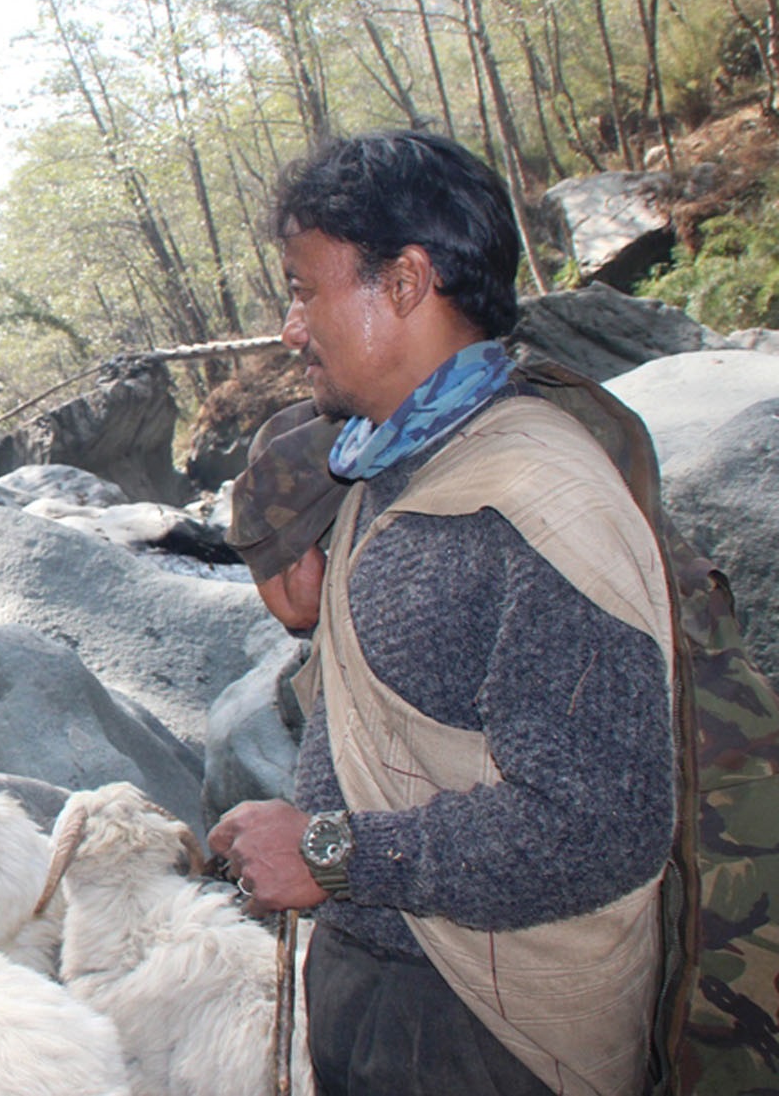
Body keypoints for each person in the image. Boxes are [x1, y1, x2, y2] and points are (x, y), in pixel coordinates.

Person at [207, 131, 675, 1096]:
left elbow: (603, 824)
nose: (292, 328)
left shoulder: (534, 500)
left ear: (408, 281)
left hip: (492, 1038)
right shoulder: (399, 464)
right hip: (392, 1005)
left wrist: (330, 851)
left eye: (305, 289)